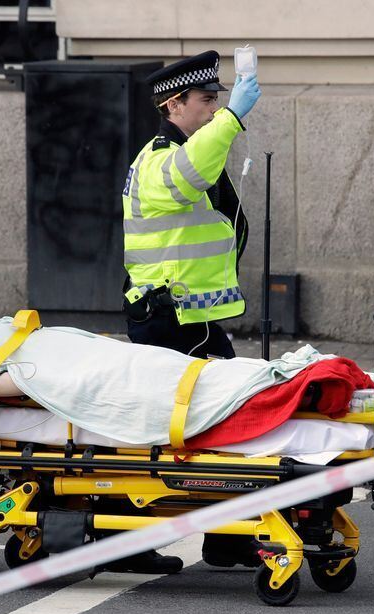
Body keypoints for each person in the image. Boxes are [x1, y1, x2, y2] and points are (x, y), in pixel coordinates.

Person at [119, 50, 261, 572]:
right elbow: (191, 173)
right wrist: (233, 117)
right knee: (164, 433)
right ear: (173, 103)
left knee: (216, 427)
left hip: (188, 318)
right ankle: (132, 544)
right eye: (206, 101)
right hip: (168, 317)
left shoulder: (184, 151)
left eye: (218, 101)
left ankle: (225, 540)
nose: (214, 109)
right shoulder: (161, 159)